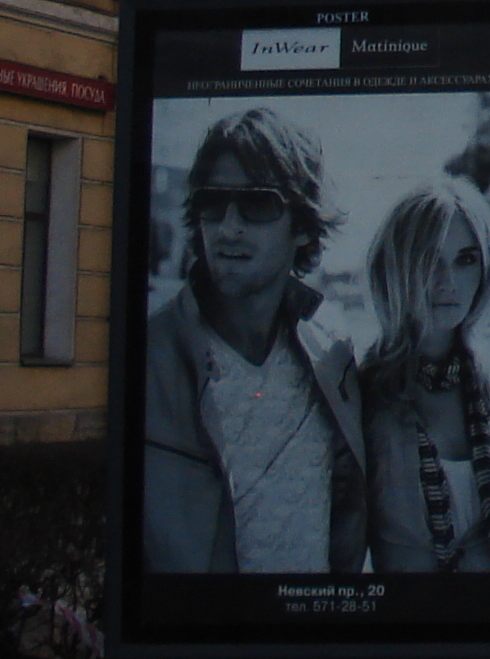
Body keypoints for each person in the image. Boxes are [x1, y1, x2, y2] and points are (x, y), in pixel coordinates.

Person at [143, 109, 369, 573]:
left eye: (258, 205)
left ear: (303, 225)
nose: (228, 228)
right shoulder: (151, 354)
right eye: (213, 203)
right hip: (203, 640)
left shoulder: (334, 357)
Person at [359, 176, 490, 573]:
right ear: (397, 267)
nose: (447, 282)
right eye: (429, 259)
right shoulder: (363, 390)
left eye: (465, 259)